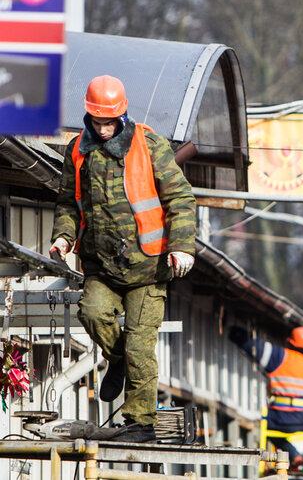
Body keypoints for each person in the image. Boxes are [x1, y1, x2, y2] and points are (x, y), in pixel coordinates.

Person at [49, 75, 197, 443]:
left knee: (139, 346)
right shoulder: (77, 151)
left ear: (122, 115)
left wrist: (181, 246)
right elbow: (68, 202)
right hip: (101, 265)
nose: (102, 129)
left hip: (148, 267)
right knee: (93, 313)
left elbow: (180, 199)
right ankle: (115, 361)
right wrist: (63, 238)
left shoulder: (149, 146)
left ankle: (140, 423)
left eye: (109, 122)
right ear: (88, 116)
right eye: (97, 122)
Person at [229, 325, 303, 472]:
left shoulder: (280, 356)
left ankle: (293, 454)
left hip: (280, 418)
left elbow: (254, 347)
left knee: (264, 425)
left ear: (290, 342)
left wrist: (235, 332)